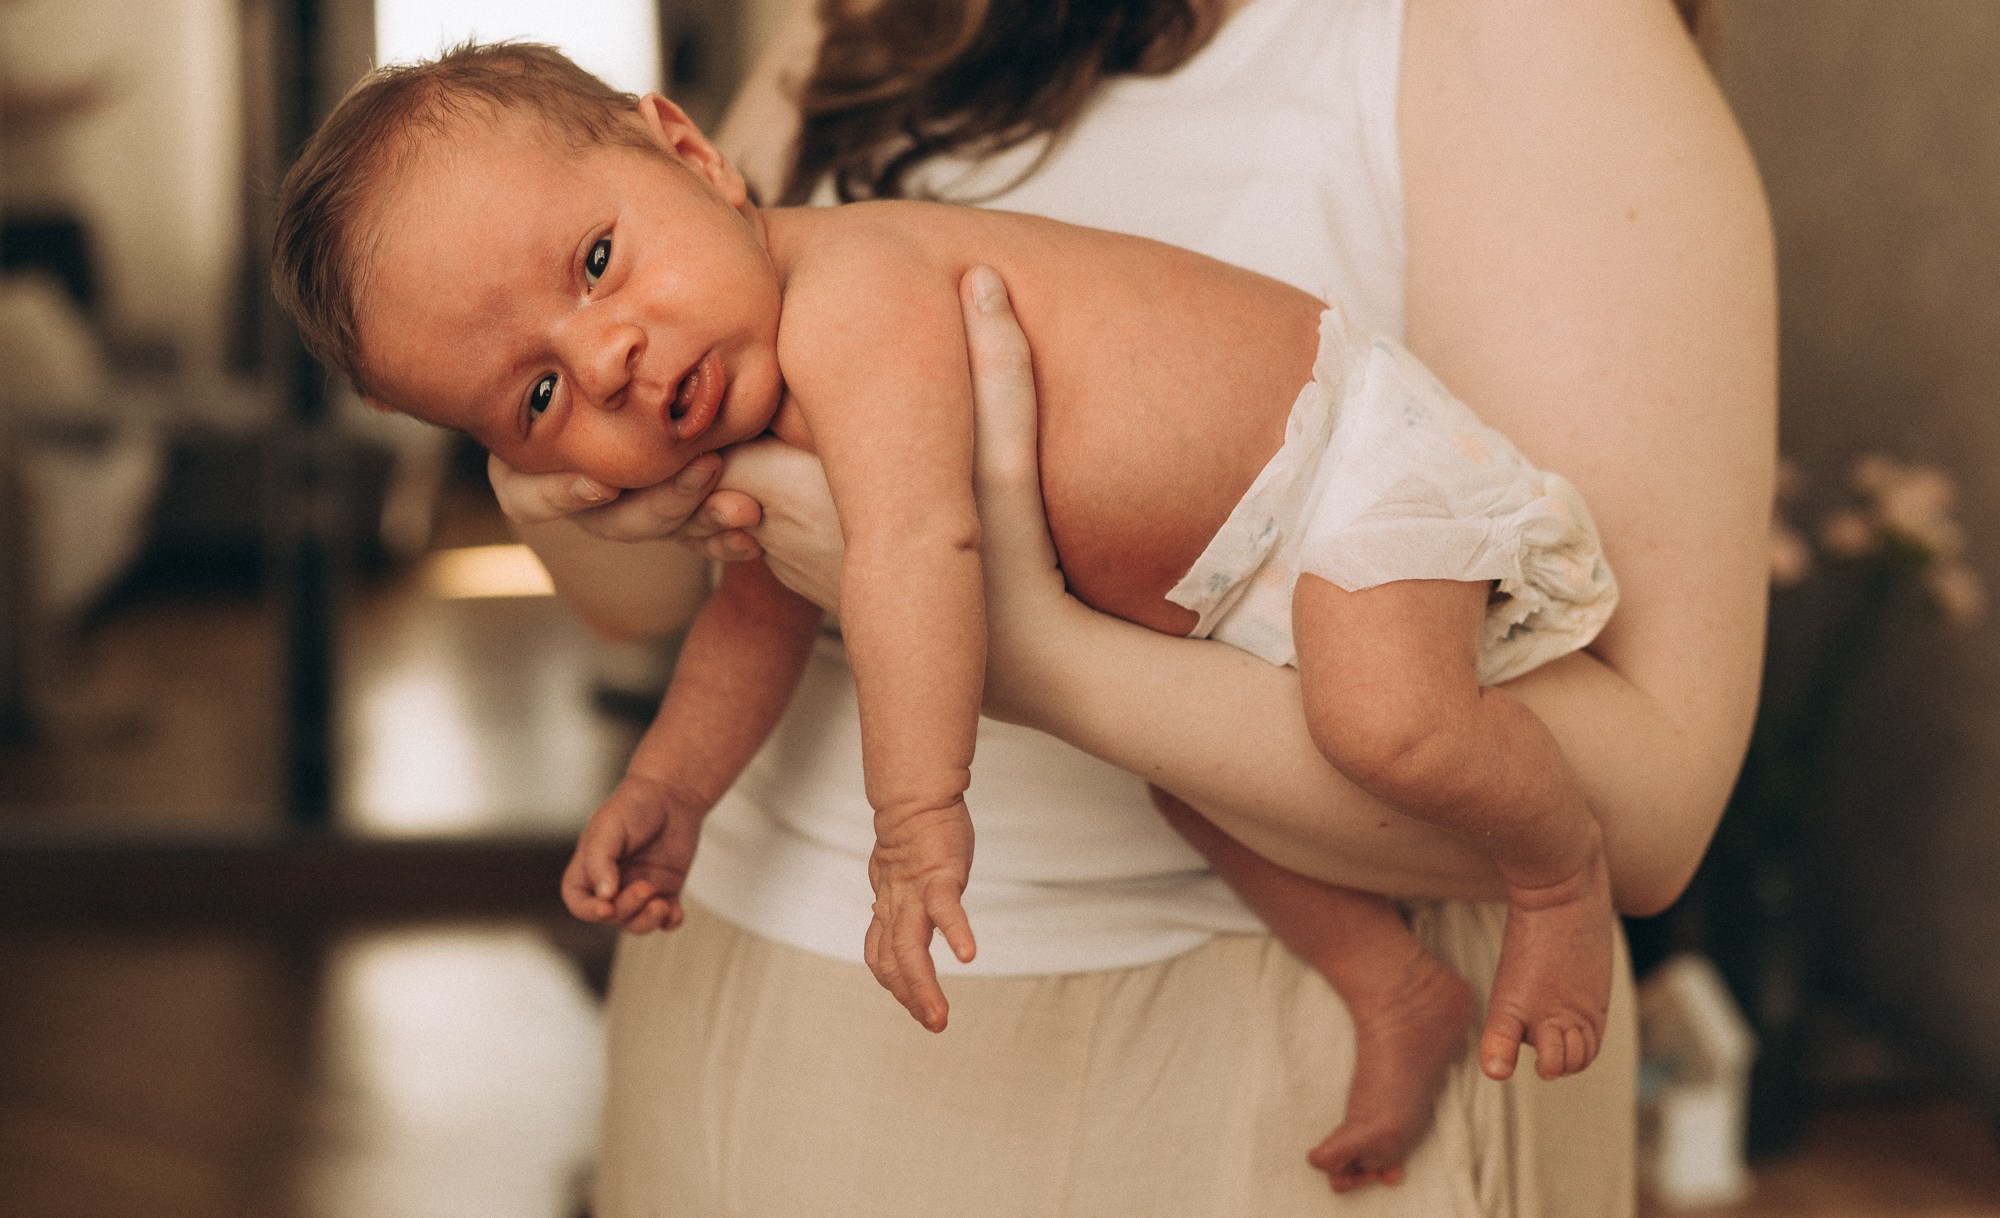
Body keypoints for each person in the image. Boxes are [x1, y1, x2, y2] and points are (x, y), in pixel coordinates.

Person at [482, 0, 1773, 1213]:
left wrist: (1031, 656)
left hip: (1205, 1058)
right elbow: (700, 582)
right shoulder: (866, 25)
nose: (602, 358)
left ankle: (1387, 985)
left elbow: (1651, 813)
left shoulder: (1521, 34)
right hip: (746, 996)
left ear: (683, 151)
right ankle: (1398, 987)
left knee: (1290, 737)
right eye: (538, 382)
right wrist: (548, 488)